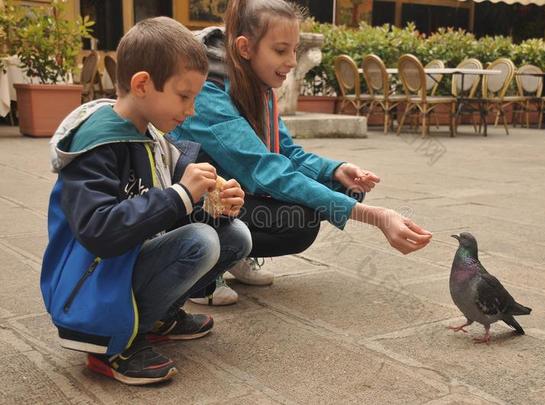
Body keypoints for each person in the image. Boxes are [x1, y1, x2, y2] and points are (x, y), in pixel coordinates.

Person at [170, 0, 432, 306]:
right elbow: (265, 170)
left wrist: (334, 170)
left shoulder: (258, 84)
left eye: (295, 49)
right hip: (190, 201)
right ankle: (204, 269)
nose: (293, 61)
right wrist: (376, 217)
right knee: (299, 223)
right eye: (281, 50)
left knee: (344, 189)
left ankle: (235, 251)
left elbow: (286, 153)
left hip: (233, 194)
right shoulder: (208, 90)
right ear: (245, 48)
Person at [40, 17, 251, 385]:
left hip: (124, 265)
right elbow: (98, 230)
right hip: (89, 286)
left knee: (236, 236)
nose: (191, 110)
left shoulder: (151, 137)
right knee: (200, 241)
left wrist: (216, 199)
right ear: (142, 84)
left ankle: (157, 317)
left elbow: (181, 194)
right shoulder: (97, 142)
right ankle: (114, 346)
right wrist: (181, 194)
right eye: (184, 96)